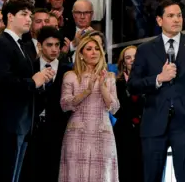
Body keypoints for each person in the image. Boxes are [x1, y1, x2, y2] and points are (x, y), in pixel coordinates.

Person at [128, 0, 185, 182]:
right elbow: (133, 85)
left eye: (179, 15)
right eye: (171, 16)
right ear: (159, 20)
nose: (176, 19)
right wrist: (158, 79)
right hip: (153, 123)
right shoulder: (145, 50)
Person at [0, 0, 56, 182]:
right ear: (10, 16)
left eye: (30, 15)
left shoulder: (23, 46)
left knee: (15, 175)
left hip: (23, 121)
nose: (29, 19)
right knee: (6, 174)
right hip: (9, 121)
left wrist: (40, 81)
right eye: (24, 14)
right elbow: (1, 82)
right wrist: (33, 82)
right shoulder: (1, 43)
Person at [59, 36, 120, 182]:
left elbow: (114, 108)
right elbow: (65, 104)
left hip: (103, 132)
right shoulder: (71, 76)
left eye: (97, 49)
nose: (94, 52)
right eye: (89, 49)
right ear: (80, 54)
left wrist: (103, 87)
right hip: (77, 132)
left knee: (103, 175)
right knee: (75, 174)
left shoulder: (110, 76)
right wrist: (87, 90)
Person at [22, 26, 73, 182]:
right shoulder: (29, 67)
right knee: (31, 171)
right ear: (39, 45)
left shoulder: (68, 70)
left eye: (57, 45)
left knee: (54, 171)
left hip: (58, 129)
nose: (54, 49)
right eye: (49, 45)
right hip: (32, 129)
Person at [114, 45, 144, 182]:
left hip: (145, 133)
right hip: (124, 134)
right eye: (128, 57)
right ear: (123, 62)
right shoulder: (117, 83)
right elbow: (117, 111)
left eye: (136, 56)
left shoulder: (150, 80)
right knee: (125, 173)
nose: (132, 60)